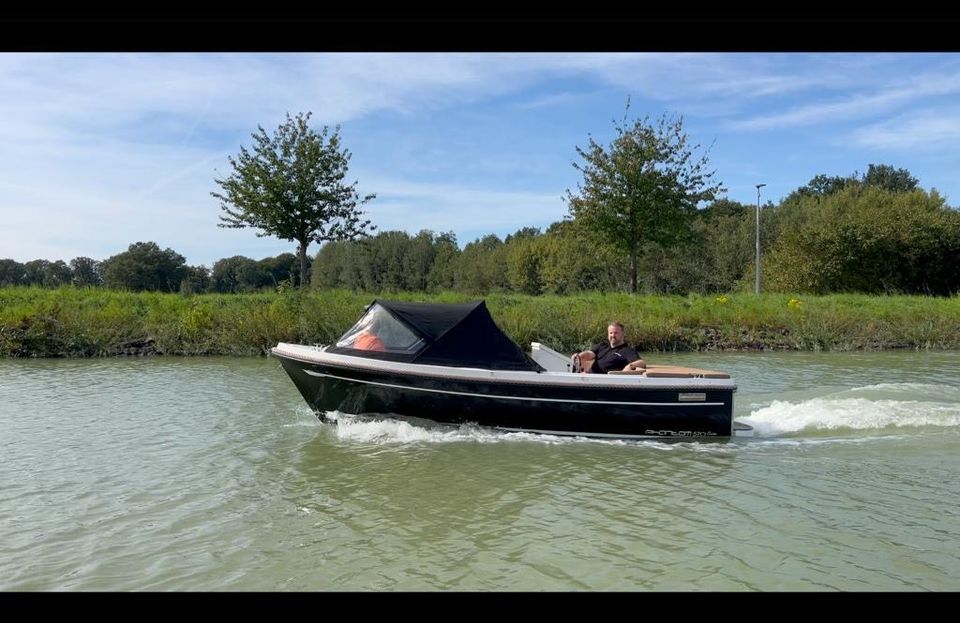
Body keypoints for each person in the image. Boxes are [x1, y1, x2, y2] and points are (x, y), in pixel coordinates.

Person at [574, 321, 645, 374]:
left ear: (622, 334)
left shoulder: (627, 350)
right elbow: (589, 354)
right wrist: (579, 356)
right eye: (611, 333)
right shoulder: (602, 345)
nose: (613, 335)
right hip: (592, 377)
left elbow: (641, 363)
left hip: (609, 381)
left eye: (616, 333)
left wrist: (630, 366)